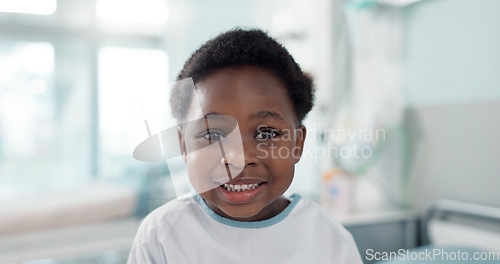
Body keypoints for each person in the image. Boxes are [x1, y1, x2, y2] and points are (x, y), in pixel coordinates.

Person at [127, 28, 363, 264]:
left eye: (266, 133)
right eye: (212, 134)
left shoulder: (329, 239)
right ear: (184, 147)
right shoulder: (161, 236)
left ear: (297, 144)